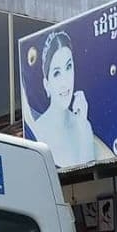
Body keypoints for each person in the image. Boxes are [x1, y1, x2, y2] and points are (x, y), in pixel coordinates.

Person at [30, 30, 99, 169]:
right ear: (46, 84)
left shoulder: (83, 126)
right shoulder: (37, 132)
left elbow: (90, 172)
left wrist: (83, 126)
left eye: (68, 67)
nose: (65, 81)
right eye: (56, 73)